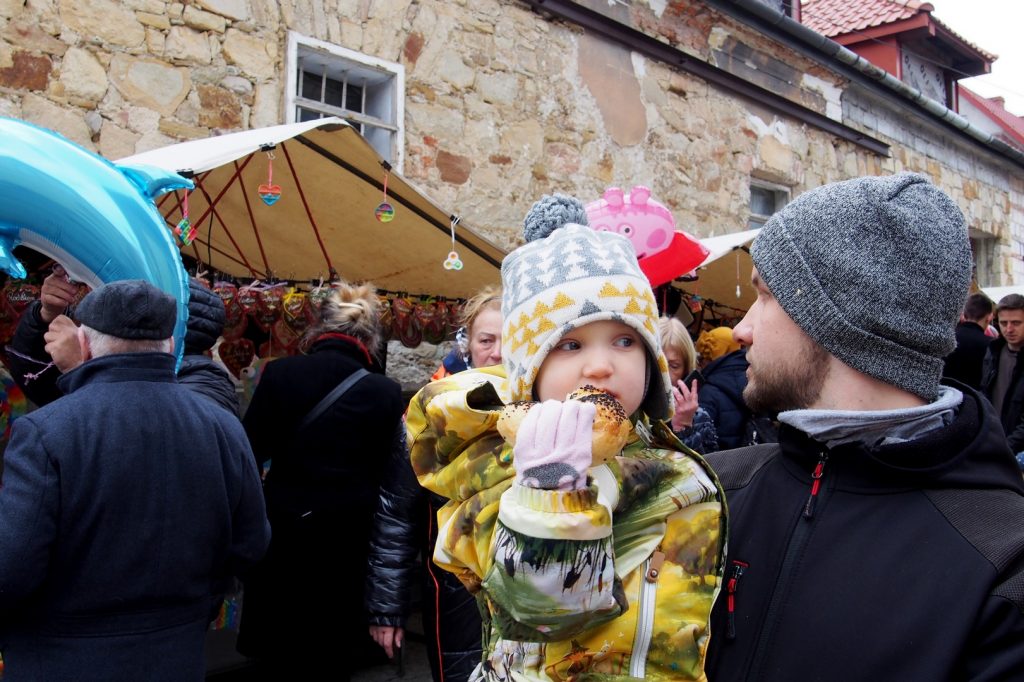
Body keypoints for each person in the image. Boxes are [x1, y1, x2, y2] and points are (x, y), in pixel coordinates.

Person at [703, 173, 1024, 680]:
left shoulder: (1001, 562)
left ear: (837, 318)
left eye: (764, 296)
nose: (741, 329)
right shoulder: (711, 490)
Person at [405, 206, 726, 680]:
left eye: (624, 341)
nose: (601, 366)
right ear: (529, 373)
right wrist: (549, 489)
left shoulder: (668, 460)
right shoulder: (501, 467)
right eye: (571, 346)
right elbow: (538, 611)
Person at [0, 280, 270, 681]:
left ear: (85, 346)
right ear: (168, 345)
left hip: (60, 657)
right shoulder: (221, 426)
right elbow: (251, 545)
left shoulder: (45, 432)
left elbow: (12, 568)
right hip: (176, 654)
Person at [236, 280, 405, 680]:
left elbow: (248, 451)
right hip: (350, 540)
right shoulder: (385, 392)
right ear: (370, 340)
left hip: (284, 532)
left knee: (279, 651)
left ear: (316, 330)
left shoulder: (280, 374)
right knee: (331, 653)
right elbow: (390, 474)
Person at [367, 286, 501, 682]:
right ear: (468, 346)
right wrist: (386, 609)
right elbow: (396, 513)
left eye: (509, 340)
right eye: (486, 340)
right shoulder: (430, 412)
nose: (496, 352)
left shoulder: (549, 405)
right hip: (456, 591)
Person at [7, 267, 239, 415]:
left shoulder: (205, 384)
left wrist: (81, 369)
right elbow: (37, 384)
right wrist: (45, 315)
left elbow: (144, 440)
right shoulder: (129, 366)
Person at [659, 315, 718, 453]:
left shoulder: (699, 418)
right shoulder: (628, 403)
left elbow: (705, 469)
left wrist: (683, 427)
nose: (663, 373)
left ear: (686, 372)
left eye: (673, 366)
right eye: (657, 362)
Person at [982, 293, 1024, 456]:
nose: (1009, 329)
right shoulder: (993, 351)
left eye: (1016, 323)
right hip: (994, 439)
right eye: (1003, 323)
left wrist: (1006, 447)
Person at [943, 292, 994, 390]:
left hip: (946, 397)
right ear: (989, 317)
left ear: (964, 314)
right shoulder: (991, 345)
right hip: (976, 400)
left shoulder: (947, 338)